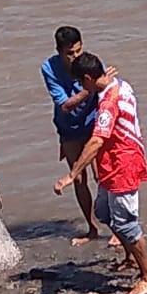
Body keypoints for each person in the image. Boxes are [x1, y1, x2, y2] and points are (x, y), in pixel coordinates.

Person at [54, 52, 147, 294]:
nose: (82, 88)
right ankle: (130, 257)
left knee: (126, 224)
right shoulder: (121, 84)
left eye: (82, 83)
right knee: (104, 213)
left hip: (122, 165)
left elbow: (97, 140)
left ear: (89, 78)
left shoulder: (108, 103)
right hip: (110, 165)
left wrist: (72, 174)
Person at [41, 26, 120, 247]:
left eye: (77, 51)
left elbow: (107, 92)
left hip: (93, 122)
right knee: (78, 178)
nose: (75, 57)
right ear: (59, 51)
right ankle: (92, 228)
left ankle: (116, 227)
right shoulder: (49, 68)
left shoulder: (89, 63)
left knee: (102, 174)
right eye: (69, 53)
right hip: (69, 127)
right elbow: (65, 105)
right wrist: (90, 88)